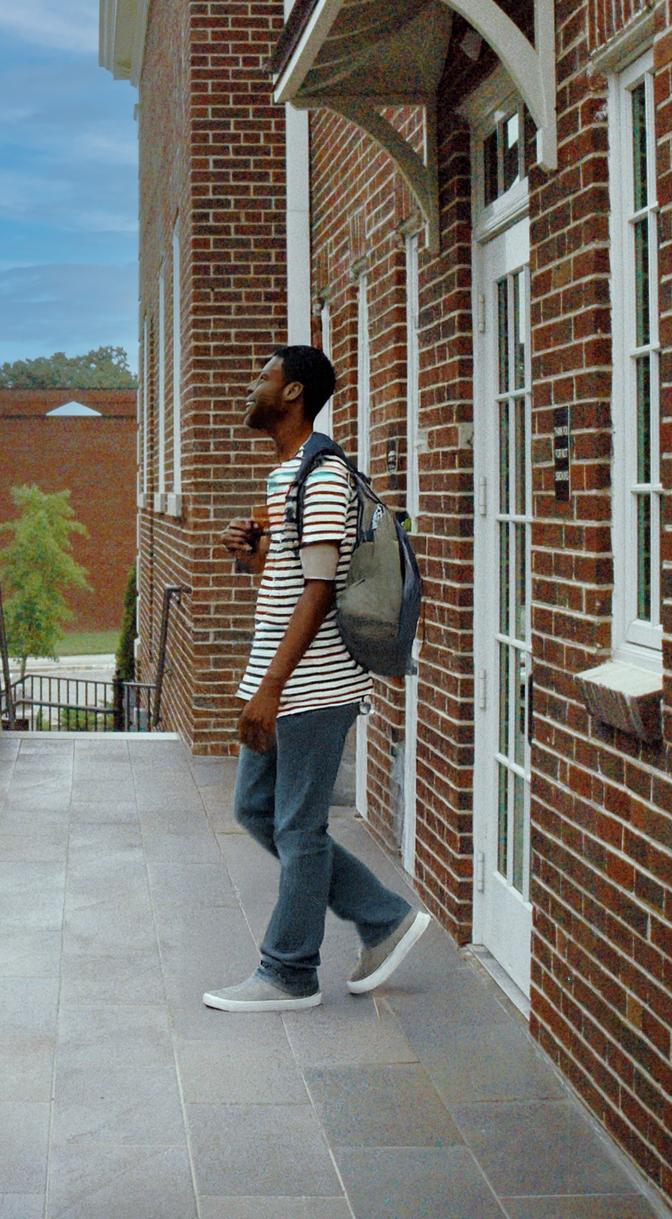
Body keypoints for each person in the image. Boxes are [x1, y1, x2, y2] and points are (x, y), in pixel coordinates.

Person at [205, 345, 431, 1012]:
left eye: (263, 376)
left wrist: (270, 690)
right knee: (257, 810)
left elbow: (321, 588)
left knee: (297, 826)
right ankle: (383, 917)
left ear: (294, 392)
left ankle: (289, 972)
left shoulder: (324, 474)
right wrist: (254, 557)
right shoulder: (287, 477)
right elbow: (289, 581)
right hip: (282, 679)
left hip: (312, 685)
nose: (251, 385)